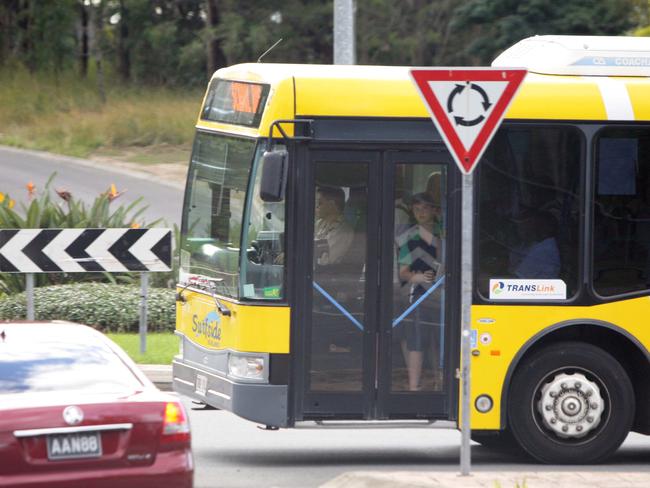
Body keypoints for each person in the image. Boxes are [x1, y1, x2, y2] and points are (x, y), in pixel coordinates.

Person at [396, 192, 443, 391]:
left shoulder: (444, 231)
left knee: (440, 339)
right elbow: (404, 272)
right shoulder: (409, 238)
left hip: (444, 293)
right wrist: (419, 278)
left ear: (434, 210)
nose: (421, 212)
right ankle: (414, 385)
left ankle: (441, 380)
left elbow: (442, 250)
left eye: (425, 208)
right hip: (420, 295)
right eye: (417, 209)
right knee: (416, 338)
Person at [509, 210, 560, 279]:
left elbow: (517, 279)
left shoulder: (544, 250)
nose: (534, 228)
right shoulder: (546, 246)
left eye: (538, 225)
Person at [314, 187, 354, 265]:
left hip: (327, 275)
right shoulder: (320, 223)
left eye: (319, 203)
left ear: (331, 205)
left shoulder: (344, 231)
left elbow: (324, 260)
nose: (316, 207)